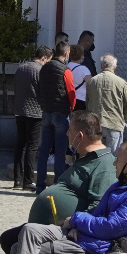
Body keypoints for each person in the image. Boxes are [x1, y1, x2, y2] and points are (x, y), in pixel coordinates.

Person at [33, 40, 77, 190]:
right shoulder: (66, 70)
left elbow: (38, 89)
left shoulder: (43, 69)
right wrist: (71, 109)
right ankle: (58, 186)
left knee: (44, 151)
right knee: (60, 152)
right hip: (61, 113)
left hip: (46, 112)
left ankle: (40, 185)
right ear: (66, 53)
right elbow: (71, 93)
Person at [12, 46, 48, 190]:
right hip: (35, 112)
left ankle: (17, 180)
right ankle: (28, 180)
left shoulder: (21, 68)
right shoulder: (39, 70)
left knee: (20, 145)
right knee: (32, 146)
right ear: (44, 57)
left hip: (20, 110)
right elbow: (42, 91)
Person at [86, 54, 127, 154]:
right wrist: (123, 118)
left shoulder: (92, 81)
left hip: (96, 123)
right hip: (114, 123)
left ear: (101, 66)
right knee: (113, 158)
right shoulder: (121, 83)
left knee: (97, 156)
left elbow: (88, 102)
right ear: (114, 67)